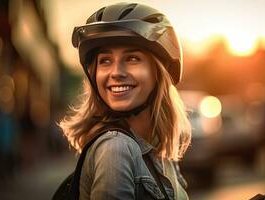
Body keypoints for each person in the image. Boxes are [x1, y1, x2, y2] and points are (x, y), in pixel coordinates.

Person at [59, 2, 192, 199]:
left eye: (132, 58)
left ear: (159, 72)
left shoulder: (161, 153)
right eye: (105, 60)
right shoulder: (116, 148)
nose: (116, 73)